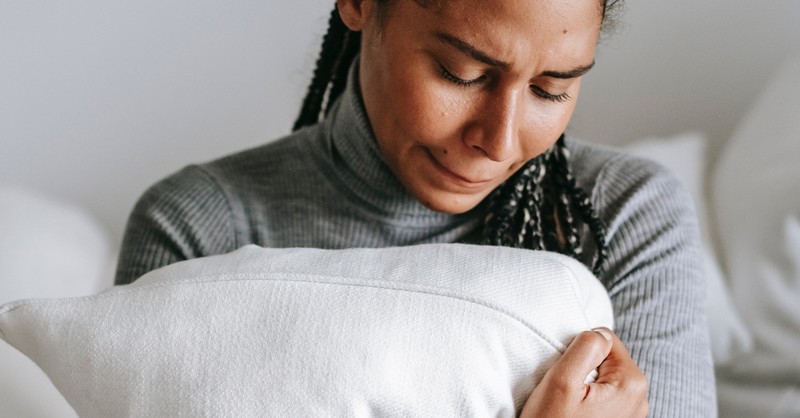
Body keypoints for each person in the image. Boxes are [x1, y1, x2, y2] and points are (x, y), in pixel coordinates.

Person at [115, 0, 716, 416]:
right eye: (462, 73)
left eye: (550, 88)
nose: (500, 142)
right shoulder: (201, 227)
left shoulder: (623, 216)